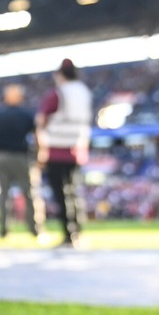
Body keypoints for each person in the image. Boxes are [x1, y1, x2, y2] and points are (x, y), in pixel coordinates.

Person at [35, 58, 93, 249]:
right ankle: (78, 232)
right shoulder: (84, 92)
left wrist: (41, 146)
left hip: (56, 150)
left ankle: (68, 235)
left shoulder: (59, 93)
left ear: (60, 75)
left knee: (61, 195)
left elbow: (42, 119)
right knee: (75, 192)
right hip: (77, 149)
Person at [0, 84, 48, 243]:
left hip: (2, 157)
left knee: (3, 195)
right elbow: (37, 136)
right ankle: (35, 229)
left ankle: (4, 230)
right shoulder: (25, 114)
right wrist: (40, 155)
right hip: (20, 157)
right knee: (29, 194)